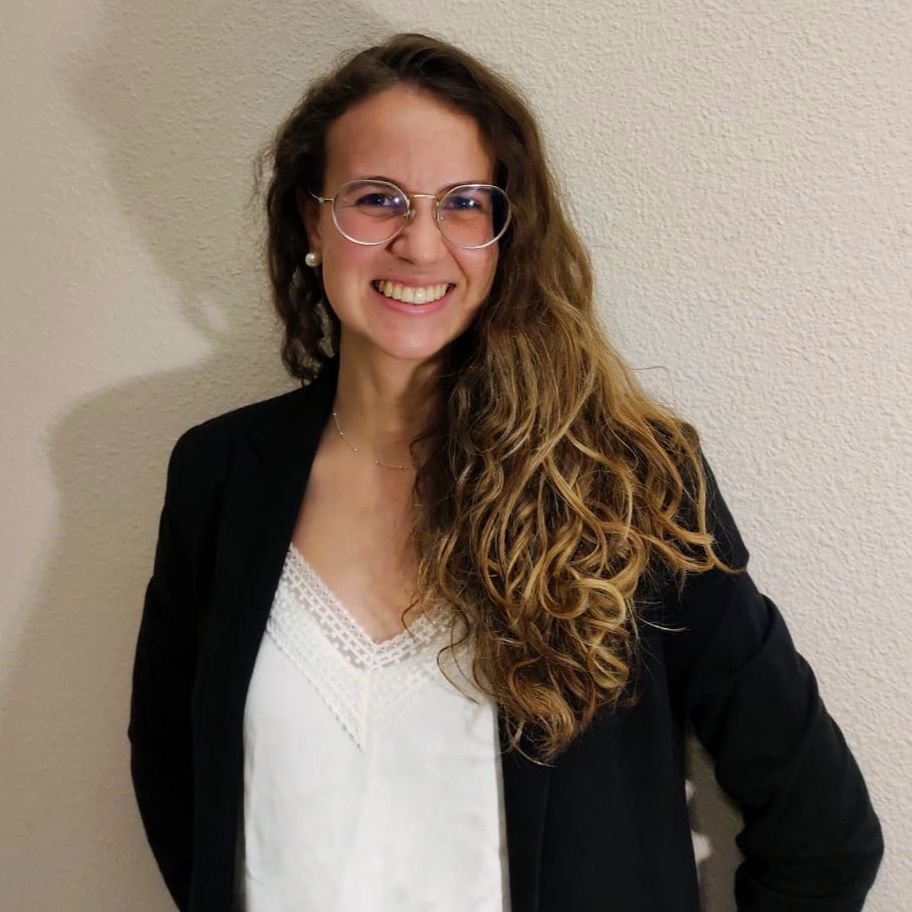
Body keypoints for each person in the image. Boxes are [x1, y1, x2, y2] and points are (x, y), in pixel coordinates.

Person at [128, 32, 883, 912]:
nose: (420, 244)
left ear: (505, 232)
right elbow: (175, 772)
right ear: (311, 219)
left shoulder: (624, 484)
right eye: (377, 199)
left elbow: (824, 835)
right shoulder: (219, 476)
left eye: (464, 203)